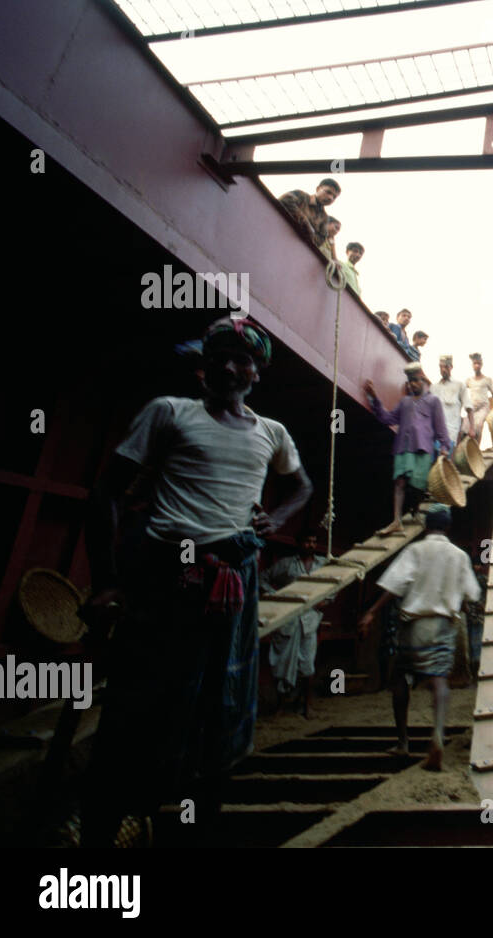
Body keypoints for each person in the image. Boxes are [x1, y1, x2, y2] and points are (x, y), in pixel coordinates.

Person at [80, 316, 313, 846]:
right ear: (204, 367)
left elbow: (301, 487)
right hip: (166, 581)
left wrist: (275, 521)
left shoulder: (272, 433)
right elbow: (106, 494)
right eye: (220, 358)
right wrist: (108, 582)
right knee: (136, 712)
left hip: (234, 585)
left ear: (258, 372)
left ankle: (195, 823)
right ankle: (101, 836)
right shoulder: (169, 412)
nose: (230, 367)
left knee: (220, 712)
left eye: (242, 359)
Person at [357, 505, 481, 770]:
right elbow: (472, 594)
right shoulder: (459, 555)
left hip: (413, 625)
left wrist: (371, 612)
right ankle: (436, 736)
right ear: (448, 528)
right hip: (443, 627)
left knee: (400, 680)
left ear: (426, 527)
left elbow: (393, 586)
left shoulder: (414, 550)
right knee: (439, 682)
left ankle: (403, 742)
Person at [364, 361, 452, 535]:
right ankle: (397, 520)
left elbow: (441, 429)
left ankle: (415, 511)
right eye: (410, 381)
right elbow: (387, 418)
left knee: (418, 485)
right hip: (402, 448)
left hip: (422, 449)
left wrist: (444, 448)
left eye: (416, 380)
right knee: (399, 483)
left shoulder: (433, 401)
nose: (413, 384)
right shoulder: (404, 402)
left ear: (422, 380)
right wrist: (375, 397)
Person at [260, 530, 328, 717]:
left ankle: (307, 705)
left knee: (307, 665)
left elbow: (335, 583)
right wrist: (277, 597)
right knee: (282, 664)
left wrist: (326, 600)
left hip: (309, 621)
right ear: (298, 543)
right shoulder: (286, 564)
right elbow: (263, 578)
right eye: (307, 541)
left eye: (314, 541)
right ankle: (280, 706)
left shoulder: (323, 564)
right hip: (287, 620)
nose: (311, 545)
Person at [278, 178, 339, 249]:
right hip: (279, 235)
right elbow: (285, 201)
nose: (330, 198)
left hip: (296, 248)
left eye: (334, 197)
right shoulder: (301, 196)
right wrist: (306, 225)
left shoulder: (324, 218)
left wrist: (309, 233)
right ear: (318, 188)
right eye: (328, 192)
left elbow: (320, 240)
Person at [433, 354, 474, 448]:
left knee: (444, 462)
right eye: (441, 366)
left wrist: (472, 428)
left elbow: (469, 408)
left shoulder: (459, 385)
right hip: (434, 436)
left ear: (451, 367)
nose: (443, 369)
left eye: (446, 366)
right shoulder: (434, 388)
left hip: (449, 435)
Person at [466, 353, 493, 448]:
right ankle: (466, 451)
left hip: (483, 407)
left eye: (478, 363)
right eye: (475, 363)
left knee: (477, 426)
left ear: (481, 365)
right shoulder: (469, 380)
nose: (477, 365)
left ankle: (476, 449)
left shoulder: (487, 380)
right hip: (472, 408)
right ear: (472, 365)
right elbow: (462, 392)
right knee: (464, 428)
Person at [463, 556, 489, 681]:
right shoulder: (482, 579)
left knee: (474, 646)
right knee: (476, 646)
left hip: (474, 617)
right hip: (476, 617)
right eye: (475, 565)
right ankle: (476, 674)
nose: (477, 567)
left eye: (478, 565)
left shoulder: (470, 580)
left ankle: (474, 675)